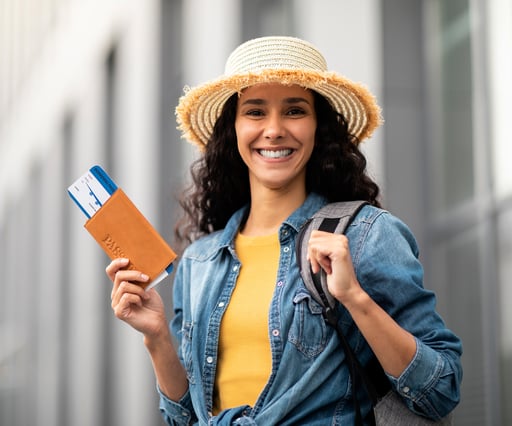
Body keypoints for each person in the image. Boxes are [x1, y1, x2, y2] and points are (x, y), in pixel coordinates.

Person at [106, 36, 462, 425]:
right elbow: (185, 419)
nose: (274, 130)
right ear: (234, 128)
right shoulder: (200, 261)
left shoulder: (364, 236)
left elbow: (441, 389)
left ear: (318, 127)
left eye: (294, 110)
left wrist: (355, 299)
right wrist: (157, 339)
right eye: (255, 112)